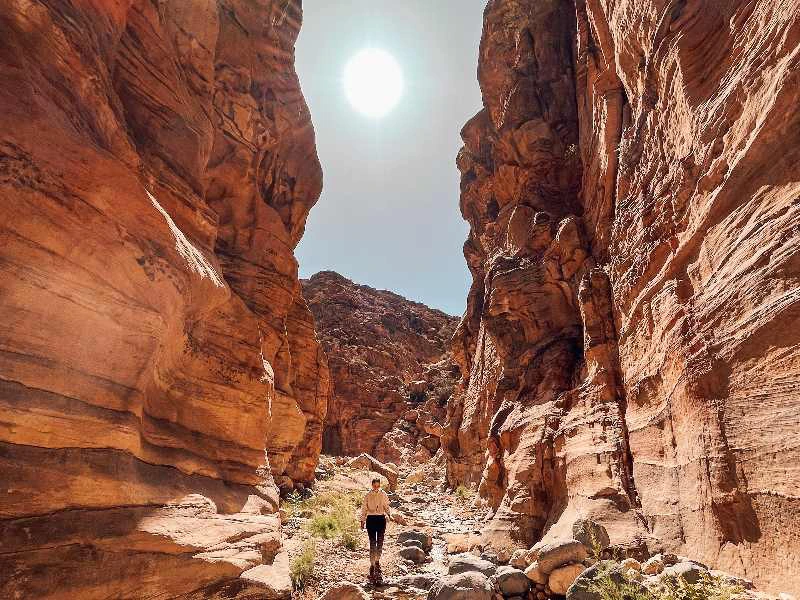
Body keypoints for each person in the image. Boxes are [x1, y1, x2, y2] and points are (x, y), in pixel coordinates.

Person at [360, 477, 391, 583]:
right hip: (371, 520)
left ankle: (377, 561)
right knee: (373, 543)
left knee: (380, 543)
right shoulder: (368, 495)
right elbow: (364, 508)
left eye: (378, 486)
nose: (376, 488)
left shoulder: (383, 494)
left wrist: (389, 514)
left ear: (380, 485)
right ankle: (372, 564)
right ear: (372, 485)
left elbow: (386, 506)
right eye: (375, 486)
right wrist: (362, 521)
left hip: (381, 519)